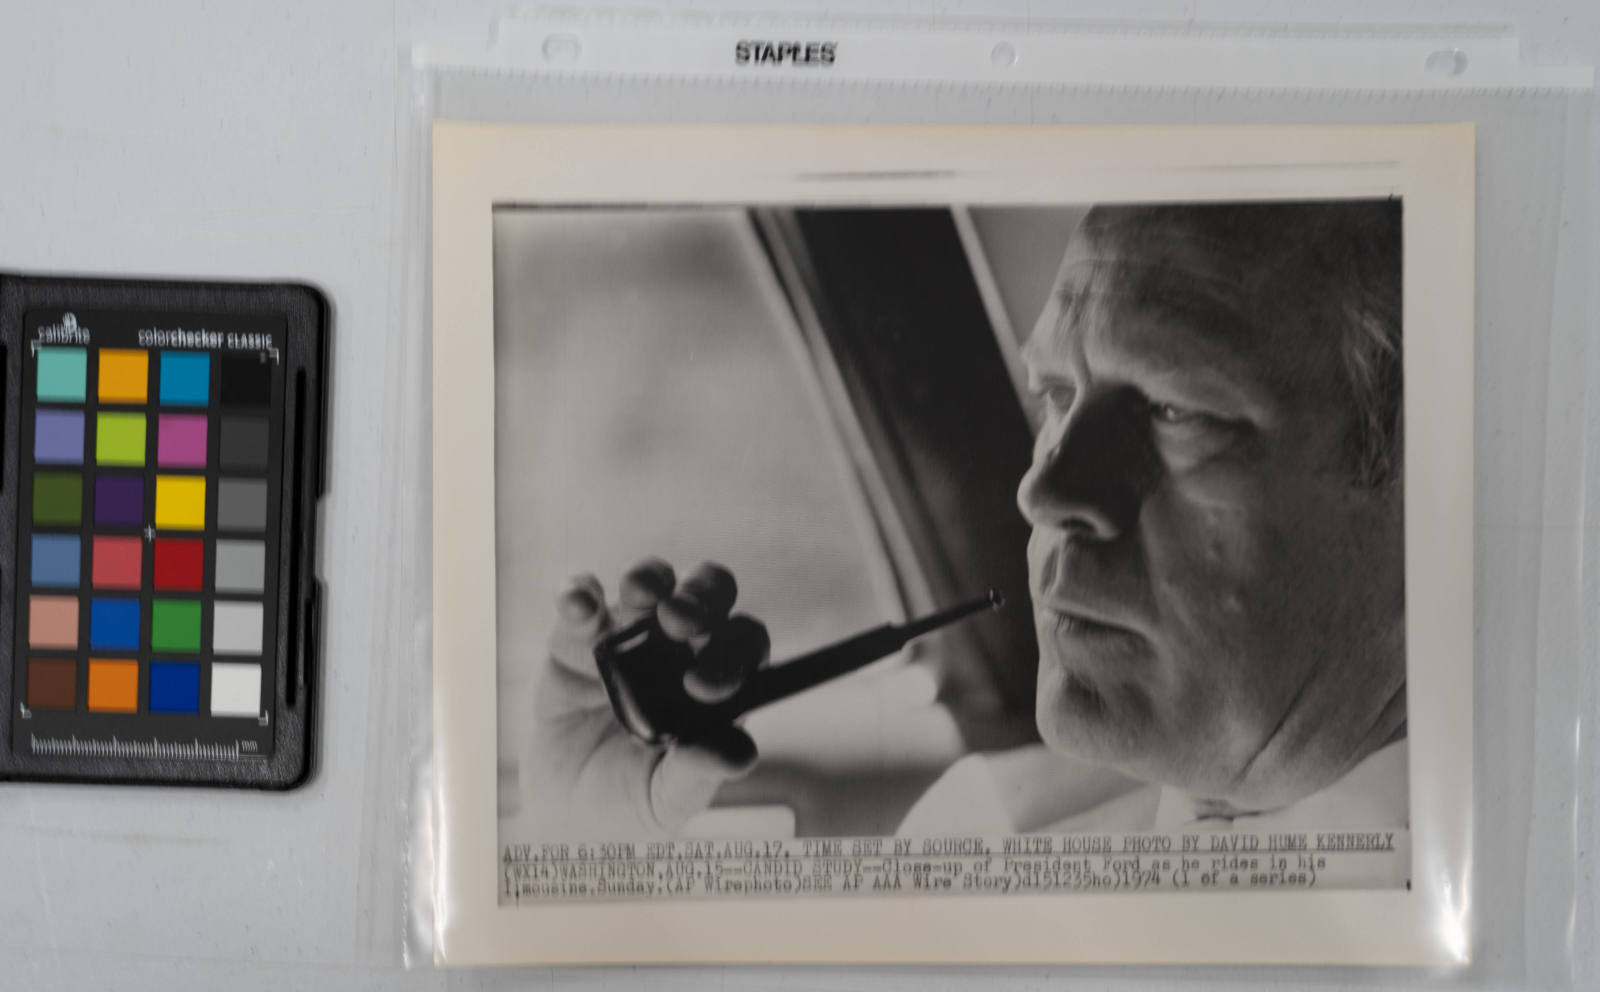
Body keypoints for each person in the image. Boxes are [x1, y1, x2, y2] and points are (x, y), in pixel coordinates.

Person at [528, 200, 1407, 839]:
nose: (1046, 490)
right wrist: (593, 855)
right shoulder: (985, 831)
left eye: (1178, 411)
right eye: (1056, 396)